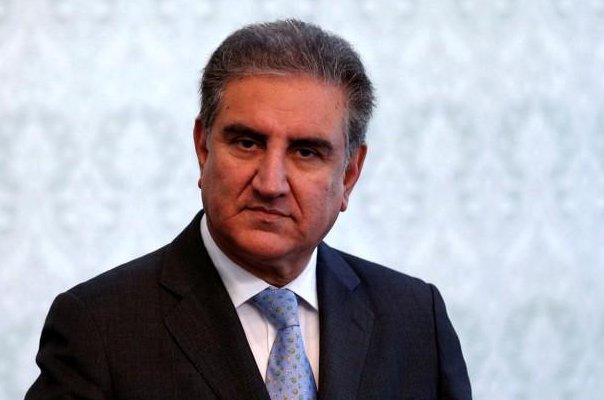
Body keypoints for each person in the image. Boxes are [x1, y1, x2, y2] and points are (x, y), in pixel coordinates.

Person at [26, 19, 472, 400]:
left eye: (306, 152)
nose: (270, 184)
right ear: (203, 148)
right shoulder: (99, 327)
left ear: (349, 174)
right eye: (246, 143)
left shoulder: (416, 319)